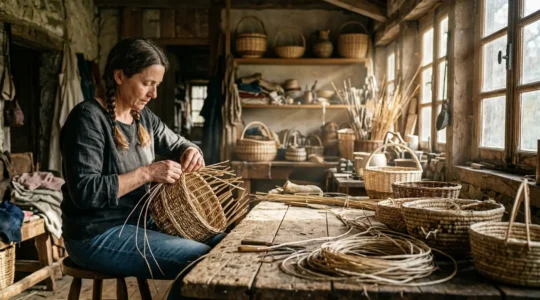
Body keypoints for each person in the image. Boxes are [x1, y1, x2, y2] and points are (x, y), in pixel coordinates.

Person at [60, 37, 224, 298]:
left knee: (223, 242)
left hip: (140, 224)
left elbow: (179, 142)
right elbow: (85, 192)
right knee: (204, 259)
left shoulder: (143, 117)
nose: (154, 94)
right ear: (119, 76)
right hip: (95, 234)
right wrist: (147, 173)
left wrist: (192, 150)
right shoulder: (88, 119)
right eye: (147, 83)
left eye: (156, 85)